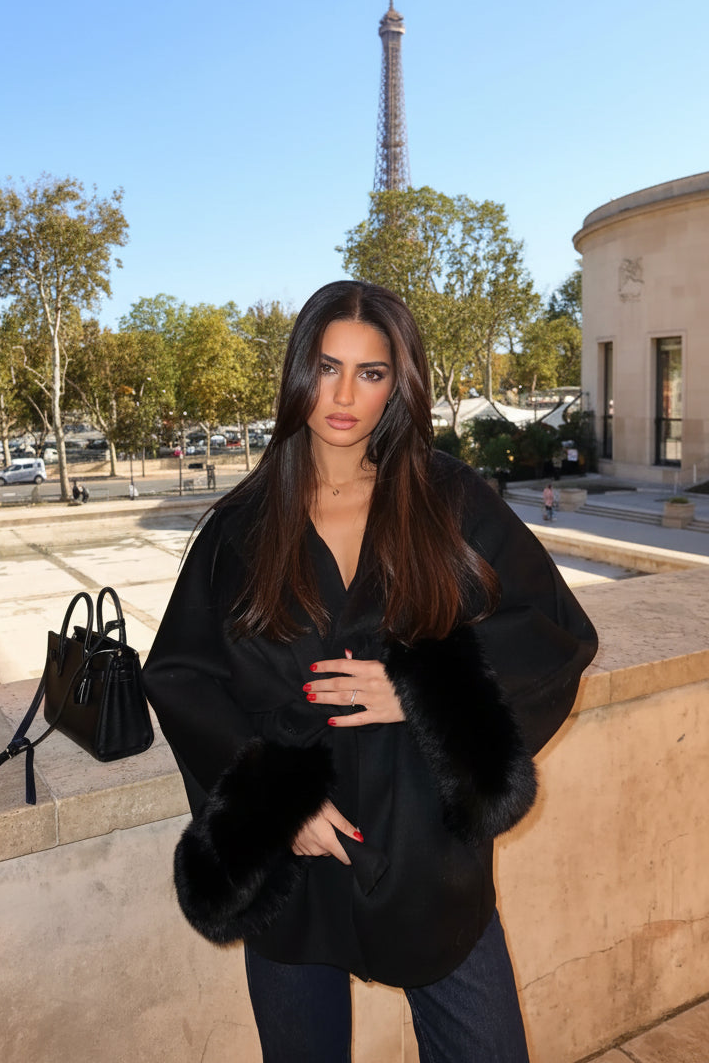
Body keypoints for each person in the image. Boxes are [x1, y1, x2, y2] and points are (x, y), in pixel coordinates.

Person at [143, 281, 597, 1063]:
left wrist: (422, 690)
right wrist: (273, 807)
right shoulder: (242, 526)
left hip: (426, 851)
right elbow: (182, 677)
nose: (346, 395)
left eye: (372, 372)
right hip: (296, 863)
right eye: (328, 367)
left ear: (399, 383)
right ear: (300, 373)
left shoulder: (449, 499)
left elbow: (554, 633)